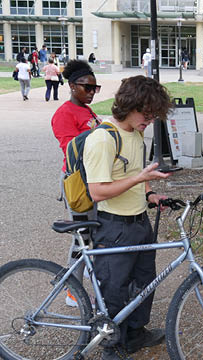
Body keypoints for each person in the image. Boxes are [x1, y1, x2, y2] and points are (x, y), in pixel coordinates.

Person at [84, 75, 173, 359]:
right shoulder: (103, 139)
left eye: (154, 115)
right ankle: (111, 346)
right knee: (115, 289)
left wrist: (149, 193)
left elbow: (136, 172)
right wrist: (139, 179)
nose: (150, 120)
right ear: (130, 105)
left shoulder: (135, 133)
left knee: (145, 282)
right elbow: (97, 192)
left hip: (139, 223)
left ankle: (136, 333)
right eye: (147, 114)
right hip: (113, 227)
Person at [51, 60, 102, 307]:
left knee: (90, 235)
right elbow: (71, 149)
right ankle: (73, 291)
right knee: (82, 237)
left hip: (92, 180)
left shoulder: (87, 110)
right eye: (87, 88)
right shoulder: (64, 114)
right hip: (77, 183)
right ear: (72, 86)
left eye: (95, 88)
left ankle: (86, 287)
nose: (92, 92)